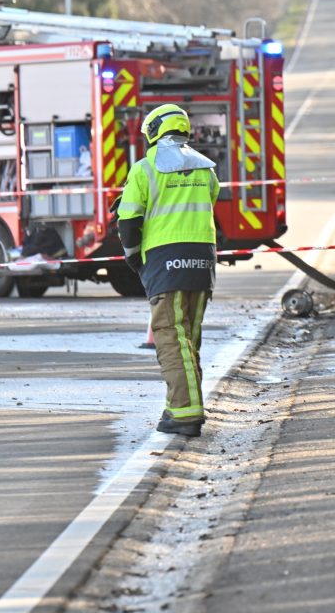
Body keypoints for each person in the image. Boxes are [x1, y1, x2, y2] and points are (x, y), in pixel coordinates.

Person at [117, 104, 220, 437]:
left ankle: (186, 413)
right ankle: (178, 405)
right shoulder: (207, 169)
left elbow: (129, 222)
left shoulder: (144, 169)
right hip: (203, 261)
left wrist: (135, 258)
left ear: (153, 131)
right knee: (188, 339)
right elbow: (209, 202)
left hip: (165, 261)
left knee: (170, 338)